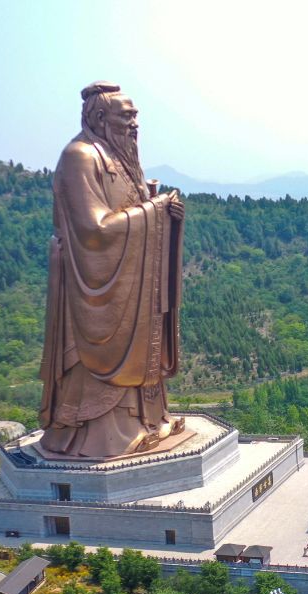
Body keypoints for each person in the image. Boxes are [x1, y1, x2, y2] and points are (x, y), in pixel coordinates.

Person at [38, 81, 186, 458]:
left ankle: (146, 421)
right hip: (94, 287)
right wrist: (153, 213)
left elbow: (125, 210)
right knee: (99, 362)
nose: (135, 124)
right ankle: (104, 433)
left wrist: (159, 209)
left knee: (140, 345)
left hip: (132, 287)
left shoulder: (119, 157)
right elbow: (94, 231)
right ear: (100, 118)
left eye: (136, 116)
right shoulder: (81, 156)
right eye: (127, 116)